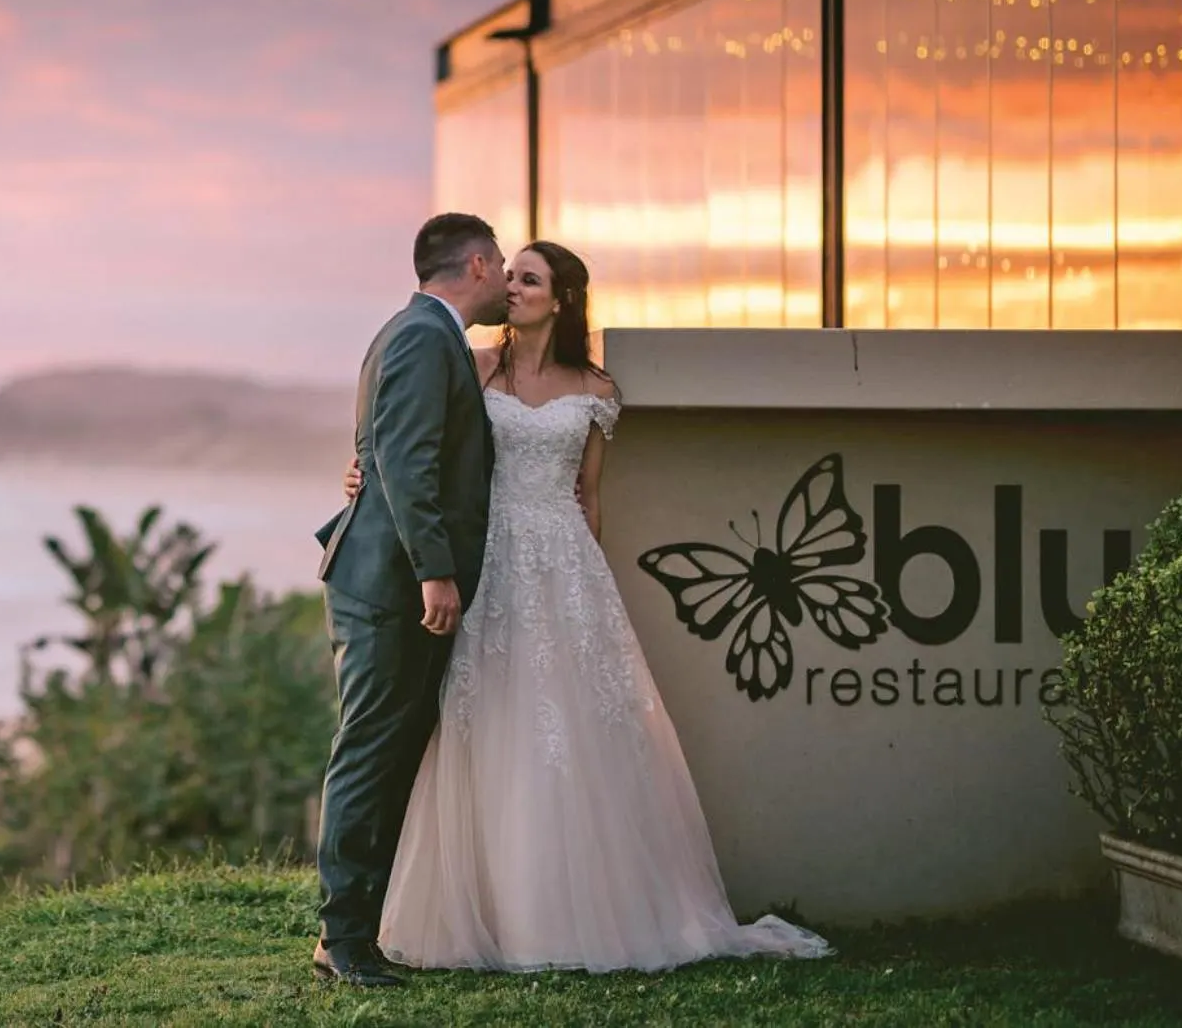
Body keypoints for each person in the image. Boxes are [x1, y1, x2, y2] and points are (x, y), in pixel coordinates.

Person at [337, 238, 830, 975]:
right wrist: (360, 477)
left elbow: (589, 500)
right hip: (487, 560)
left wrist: (582, 590)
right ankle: (474, 912)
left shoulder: (596, 390)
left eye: (528, 279)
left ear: (562, 298)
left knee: (567, 734)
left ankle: (573, 915)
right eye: (508, 275)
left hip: (561, 567)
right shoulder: (474, 367)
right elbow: (409, 442)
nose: (511, 288)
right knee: (484, 726)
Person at [309, 212, 507, 988]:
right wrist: (435, 571)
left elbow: (382, 450)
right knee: (369, 754)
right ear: (480, 264)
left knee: (386, 754)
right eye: (500, 266)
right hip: (390, 586)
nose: (502, 278)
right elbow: (404, 459)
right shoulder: (425, 338)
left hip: (385, 577)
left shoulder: (416, 332)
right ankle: (343, 939)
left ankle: (355, 931)